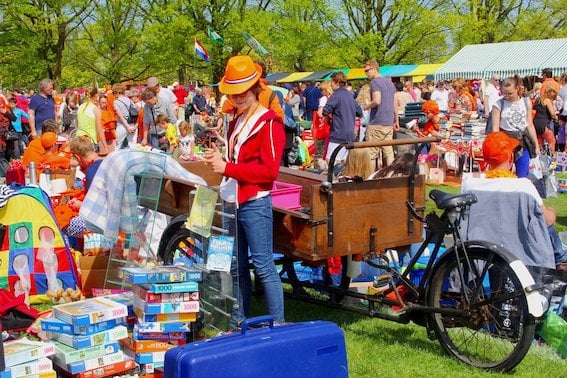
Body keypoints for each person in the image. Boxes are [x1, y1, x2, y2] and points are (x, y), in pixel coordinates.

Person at [204, 55, 285, 328]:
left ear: (255, 88)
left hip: (254, 202)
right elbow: (239, 161)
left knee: (263, 267)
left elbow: (269, 173)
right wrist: (222, 158)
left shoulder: (270, 122)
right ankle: (239, 322)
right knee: (236, 266)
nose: (237, 97)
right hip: (233, 201)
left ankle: (279, 325)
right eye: (233, 92)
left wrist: (226, 167)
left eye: (242, 92)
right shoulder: (237, 119)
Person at [462, 131, 567, 269]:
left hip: (480, 255)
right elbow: (546, 221)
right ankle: (560, 260)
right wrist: (552, 213)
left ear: (485, 159)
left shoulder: (470, 184)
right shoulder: (524, 187)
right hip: (523, 256)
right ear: (511, 158)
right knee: (547, 220)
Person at [491, 75, 540, 178]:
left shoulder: (526, 102)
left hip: (523, 142)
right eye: (504, 93)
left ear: (517, 89)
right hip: (505, 142)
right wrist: (497, 146)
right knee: (502, 176)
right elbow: (495, 128)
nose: (506, 96)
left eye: (510, 93)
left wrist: (536, 146)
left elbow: (530, 125)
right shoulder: (499, 104)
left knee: (523, 176)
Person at [363, 60, 398, 168]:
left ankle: (370, 178)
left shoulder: (374, 83)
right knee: (389, 152)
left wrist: (367, 106)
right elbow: (395, 102)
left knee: (372, 153)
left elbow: (377, 101)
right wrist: (396, 120)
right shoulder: (390, 83)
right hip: (388, 122)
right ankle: (391, 176)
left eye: (367, 71)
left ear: (374, 69)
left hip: (377, 122)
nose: (366, 74)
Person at [322, 72, 362, 162]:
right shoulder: (350, 95)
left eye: (331, 82)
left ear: (336, 82)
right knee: (345, 162)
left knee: (331, 160)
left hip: (338, 133)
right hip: (350, 134)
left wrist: (328, 118)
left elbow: (325, 110)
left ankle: (335, 176)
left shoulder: (336, 95)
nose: (331, 85)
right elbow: (359, 112)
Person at [77, 86, 105, 153]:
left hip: (78, 139)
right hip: (90, 140)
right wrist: (105, 147)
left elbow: (77, 125)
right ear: (96, 95)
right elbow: (100, 130)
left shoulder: (80, 107)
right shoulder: (95, 109)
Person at [533, 87, 559, 151]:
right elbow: (552, 114)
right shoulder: (547, 100)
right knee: (551, 141)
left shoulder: (538, 100)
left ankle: (539, 158)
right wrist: (558, 119)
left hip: (535, 123)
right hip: (544, 123)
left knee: (539, 142)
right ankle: (551, 158)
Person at [112, 83, 137, 148]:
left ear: (117, 92)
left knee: (117, 147)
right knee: (132, 147)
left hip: (122, 126)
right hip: (132, 125)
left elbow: (120, 116)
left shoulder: (116, 101)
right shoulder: (130, 100)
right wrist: (133, 126)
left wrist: (127, 127)